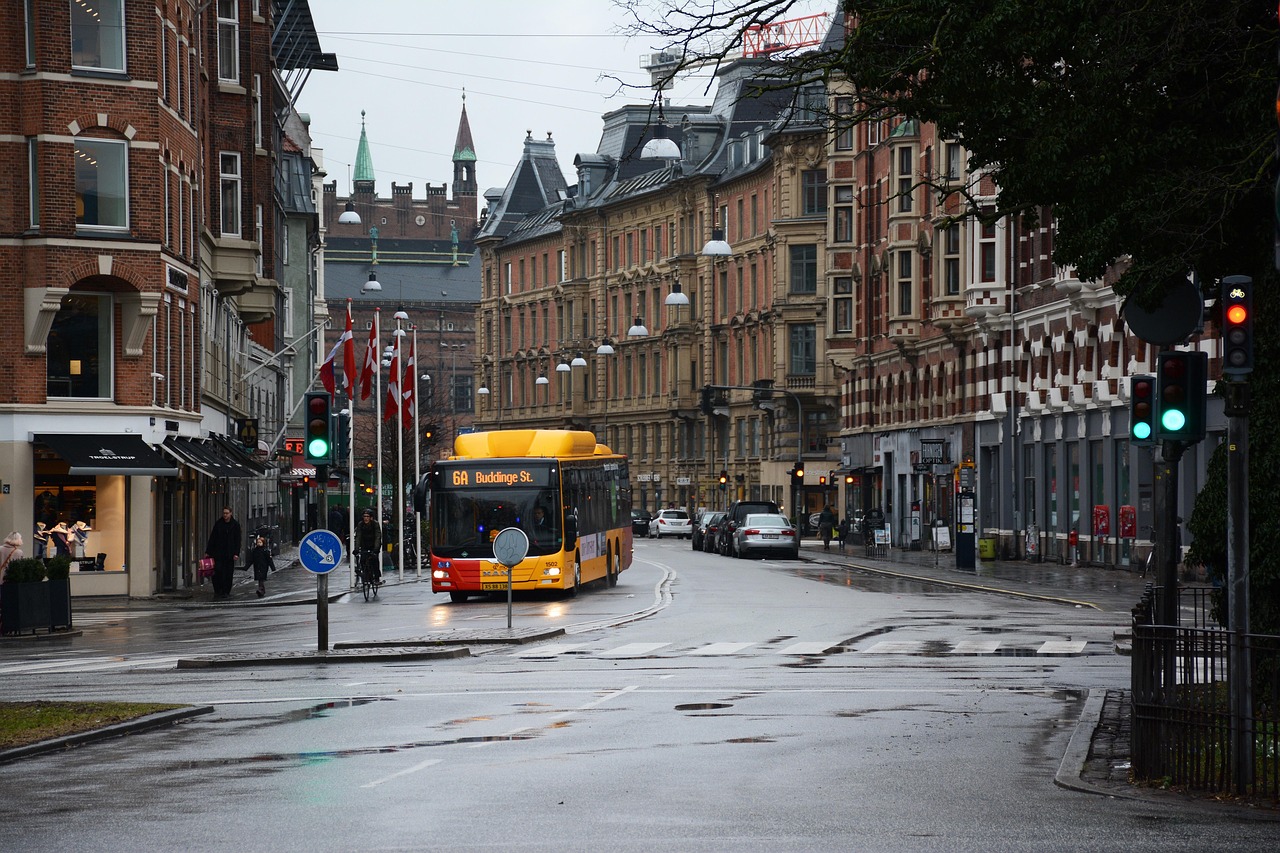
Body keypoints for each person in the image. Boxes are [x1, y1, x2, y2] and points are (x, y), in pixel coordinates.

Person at [204, 506, 242, 599]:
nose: (225, 515)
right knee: (217, 572)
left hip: (229, 554)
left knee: (228, 574)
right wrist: (208, 551)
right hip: (218, 553)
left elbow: (238, 540)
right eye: (224, 513)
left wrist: (236, 553)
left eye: (226, 513)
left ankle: (226, 591)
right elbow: (212, 538)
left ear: (230, 513)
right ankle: (218, 590)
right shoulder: (218, 524)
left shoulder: (235, 525)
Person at [355, 508, 382, 585]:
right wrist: (356, 548)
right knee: (362, 560)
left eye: (367, 516)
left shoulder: (375, 524)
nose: (366, 518)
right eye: (364, 516)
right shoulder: (360, 525)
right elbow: (358, 536)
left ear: (371, 518)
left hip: (373, 545)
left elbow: (377, 536)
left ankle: (377, 577)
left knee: (374, 560)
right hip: (364, 545)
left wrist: (376, 548)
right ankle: (366, 577)